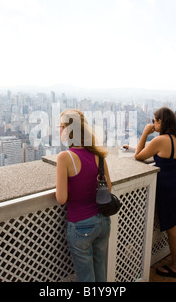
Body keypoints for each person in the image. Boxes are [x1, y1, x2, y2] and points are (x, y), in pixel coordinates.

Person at [134, 107, 176, 278]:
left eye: (154, 121)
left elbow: (138, 156)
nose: (152, 123)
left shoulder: (160, 140)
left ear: (161, 122)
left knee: (172, 230)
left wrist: (145, 134)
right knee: (175, 228)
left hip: (168, 192)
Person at [55, 109, 111, 282]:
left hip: (80, 225)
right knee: (100, 270)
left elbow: (61, 198)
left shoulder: (65, 157)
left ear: (67, 130)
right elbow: (108, 187)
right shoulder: (98, 155)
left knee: (86, 277)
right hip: (102, 221)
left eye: (60, 126)